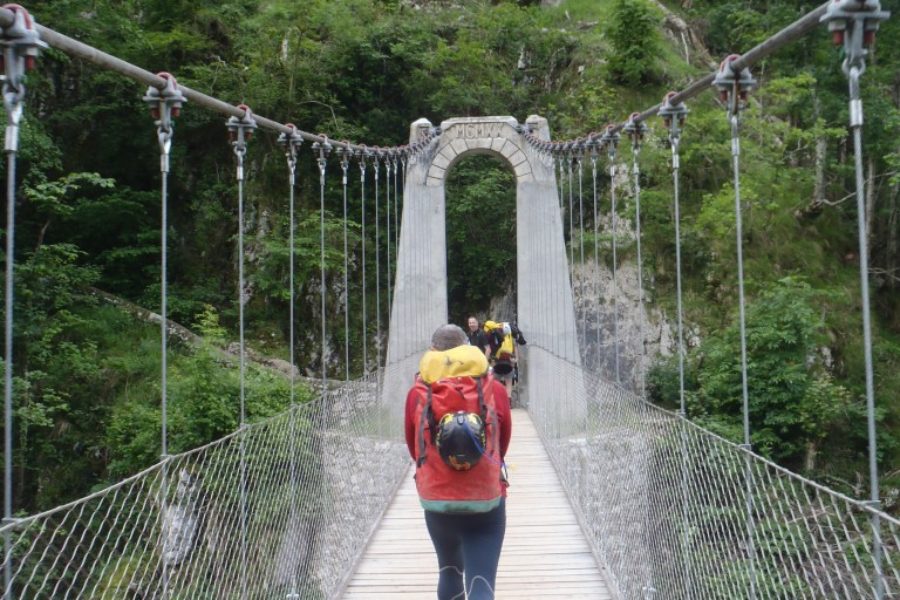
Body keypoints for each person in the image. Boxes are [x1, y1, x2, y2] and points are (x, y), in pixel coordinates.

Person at [405, 324, 512, 600]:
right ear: (469, 348)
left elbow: (414, 448)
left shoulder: (418, 393)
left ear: (432, 352)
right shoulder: (495, 390)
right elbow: (502, 444)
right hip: (485, 498)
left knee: (450, 571)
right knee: (481, 581)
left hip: (438, 499)